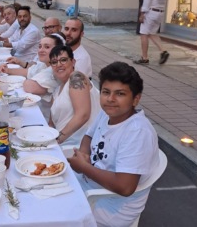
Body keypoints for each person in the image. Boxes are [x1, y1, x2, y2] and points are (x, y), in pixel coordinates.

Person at [68, 61, 159, 226]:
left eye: (120, 94)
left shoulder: (136, 132)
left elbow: (125, 187)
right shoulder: (108, 113)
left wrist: (84, 167)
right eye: (106, 92)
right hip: (89, 184)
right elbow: (88, 137)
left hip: (110, 206)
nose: (110, 99)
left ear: (135, 99)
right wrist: (84, 154)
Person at [0, 33, 65, 120]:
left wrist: (27, 81)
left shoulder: (55, 69)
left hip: (44, 117)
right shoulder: (43, 64)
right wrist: (8, 70)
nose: (41, 50)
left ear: (58, 51)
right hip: (36, 109)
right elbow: (27, 72)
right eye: (40, 46)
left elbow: (31, 86)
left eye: (47, 47)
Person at [48, 45, 100, 146]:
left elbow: (83, 115)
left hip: (79, 145)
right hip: (61, 143)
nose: (59, 64)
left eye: (63, 60)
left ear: (73, 62)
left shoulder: (77, 77)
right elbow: (51, 124)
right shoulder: (56, 90)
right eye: (54, 62)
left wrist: (57, 140)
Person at [135, 0, 169, 65]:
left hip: (151, 11)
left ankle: (144, 57)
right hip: (160, 11)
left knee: (144, 33)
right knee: (152, 33)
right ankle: (163, 51)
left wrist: (142, 13)